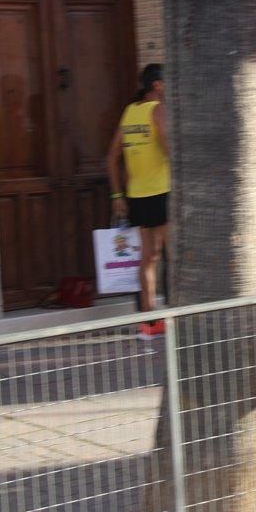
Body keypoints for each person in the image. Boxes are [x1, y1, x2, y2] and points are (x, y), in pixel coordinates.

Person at [106, 64, 171, 340]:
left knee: (148, 259)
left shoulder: (130, 112)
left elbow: (111, 158)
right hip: (162, 192)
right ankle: (178, 316)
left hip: (137, 196)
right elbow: (170, 150)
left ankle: (149, 321)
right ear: (157, 85)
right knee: (174, 258)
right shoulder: (158, 110)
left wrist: (117, 196)